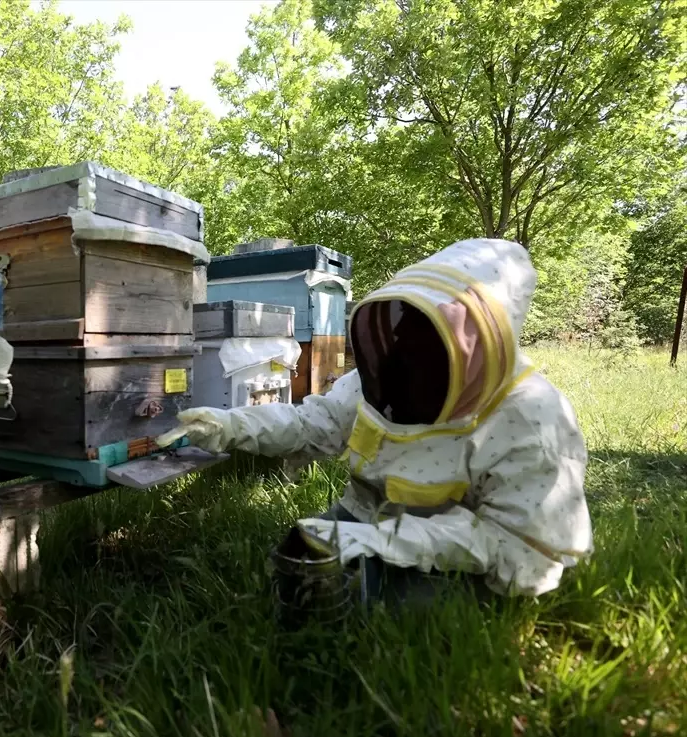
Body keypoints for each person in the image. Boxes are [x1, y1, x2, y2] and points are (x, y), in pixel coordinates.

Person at [167, 239, 592, 603]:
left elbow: (517, 550)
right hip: (365, 516)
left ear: (480, 340)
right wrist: (229, 425)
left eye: (427, 335)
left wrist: (382, 543)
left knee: (380, 609)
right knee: (294, 571)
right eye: (406, 324)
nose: (405, 343)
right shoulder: (386, 374)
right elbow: (314, 424)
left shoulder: (533, 419)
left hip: (461, 556)